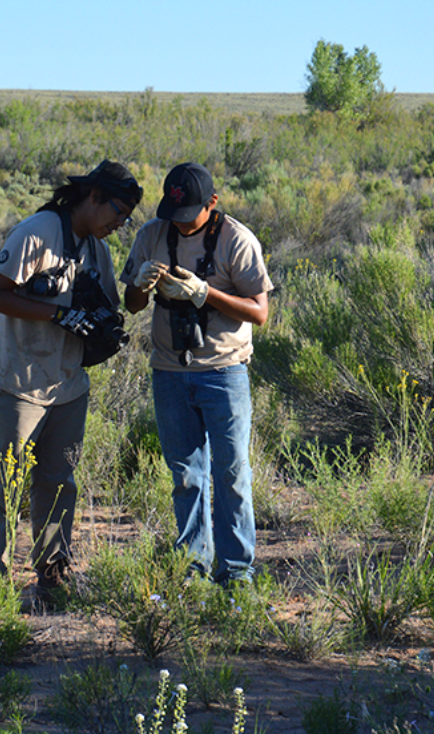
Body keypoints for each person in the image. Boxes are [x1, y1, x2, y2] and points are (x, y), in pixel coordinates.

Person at [0, 160, 143, 603]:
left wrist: (105, 323)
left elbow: (108, 306)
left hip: (68, 386)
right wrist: (57, 312)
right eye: (118, 212)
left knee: (58, 484)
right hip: (19, 381)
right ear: (93, 197)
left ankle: (53, 580)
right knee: (6, 488)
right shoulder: (37, 232)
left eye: (127, 218)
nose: (119, 224)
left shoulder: (98, 251)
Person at [120, 162, 272, 585]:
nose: (182, 226)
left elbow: (260, 313)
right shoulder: (152, 234)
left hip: (223, 371)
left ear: (213, 202)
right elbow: (132, 304)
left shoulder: (236, 240)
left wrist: (206, 294)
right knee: (186, 475)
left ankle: (237, 571)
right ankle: (192, 569)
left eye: (191, 217)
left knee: (232, 474)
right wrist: (141, 286)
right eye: (175, 217)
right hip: (169, 370)